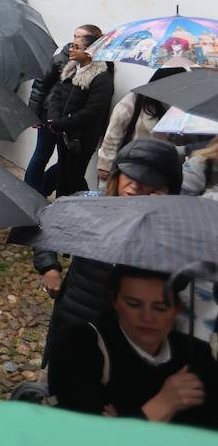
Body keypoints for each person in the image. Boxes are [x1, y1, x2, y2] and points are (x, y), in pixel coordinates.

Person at [36, 138, 184, 368]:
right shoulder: (91, 205)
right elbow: (46, 225)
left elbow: (180, 280)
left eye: (149, 182)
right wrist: (49, 266)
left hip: (129, 335)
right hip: (75, 317)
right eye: (130, 176)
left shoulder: (174, 228)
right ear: (117, 174)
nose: (135, 186)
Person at [50, 265, 218, 429]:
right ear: (115, 301)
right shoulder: (81, 346)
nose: (147, 317)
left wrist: (123, 423)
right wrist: (164, 404)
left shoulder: (196, 354)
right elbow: (88, 437)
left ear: (176, 309)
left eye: (160, 308)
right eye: (134, 304)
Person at [43, 26, 113, 198]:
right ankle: (60, 209)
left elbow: (93, 111)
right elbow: (56, 95)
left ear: (89, 51)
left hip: (81, 137)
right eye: (72, 44)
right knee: (62, 175)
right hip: (63, 133)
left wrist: (61, 122)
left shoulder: (101, 77)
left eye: (76, 46)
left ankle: (82, 207)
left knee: (74, 177)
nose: (71, 49)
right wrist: (53, 118)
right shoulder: (71, 69)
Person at [96, 67, 186, 183]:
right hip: (131, 168)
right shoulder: (135, 100)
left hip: (163, 173)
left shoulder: (182, 107)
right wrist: (105, 165)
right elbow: (113, 134)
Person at [24, 31, 78, 192]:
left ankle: (43, 188)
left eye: (79, 37)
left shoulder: (98, 64)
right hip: (49, 113)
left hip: (70, 119)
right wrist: (33, 113)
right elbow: (40, 85)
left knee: (67, 161)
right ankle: (29, 191)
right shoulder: (60, 59)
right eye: (75, 36)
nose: (74, 41)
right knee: (42, 154)